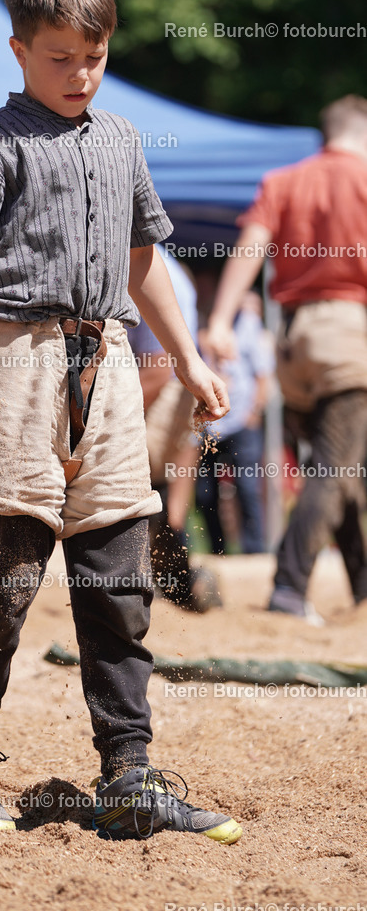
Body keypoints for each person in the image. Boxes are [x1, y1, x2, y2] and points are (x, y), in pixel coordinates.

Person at [0, 0, 242, 844]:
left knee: (118, 575)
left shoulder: (123, 140)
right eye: (59, 58)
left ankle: (129, 774)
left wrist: (187, 355)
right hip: (12, 359)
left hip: (106, 364)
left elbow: (143, 263)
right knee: (10, 573)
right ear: (18, 50)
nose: (79, 74)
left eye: (92, 57)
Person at [204, 94, 367, 622]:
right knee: (334, 469)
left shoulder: (285, 179)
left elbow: (250, 246)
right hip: (346, 335)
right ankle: (289, 588)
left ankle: (363, 588)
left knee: (343, 468)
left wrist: (222, 322)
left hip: (292, 345)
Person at [128, 247, 221, 612]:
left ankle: (178, 588)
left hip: (163, 390)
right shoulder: (160, 264)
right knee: (161, 498)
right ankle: (182, 588)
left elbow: (156, 370)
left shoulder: (145, 265)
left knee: (140, 489)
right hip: (172, 392)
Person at [197, 292, 274, 554]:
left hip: (242, 421)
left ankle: (255, 550)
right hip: (208, 425)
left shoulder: (248, 324)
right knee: (205, 492)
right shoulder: (195, 324)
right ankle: (217, 551)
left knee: (248, 488)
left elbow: (263, 375)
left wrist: (253, 414)